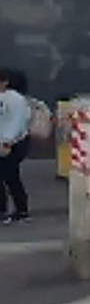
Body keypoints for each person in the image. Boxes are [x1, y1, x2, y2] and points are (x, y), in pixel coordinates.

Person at [0, 68, 32, 224]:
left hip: (11, 144)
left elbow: (17, 123)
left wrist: (7, 142)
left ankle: (20, 210)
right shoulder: (9, 98)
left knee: (10, 177)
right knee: (9, 177)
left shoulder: (14, 99)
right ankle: (17, 209)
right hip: (8, 142)